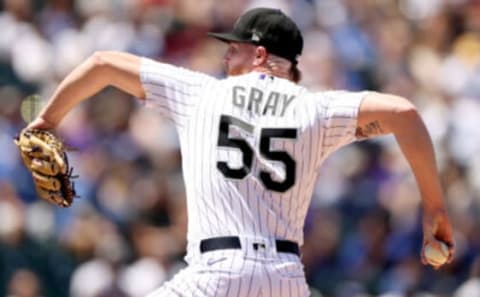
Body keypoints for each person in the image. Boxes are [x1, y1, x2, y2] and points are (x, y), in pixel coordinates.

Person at [26, 7, 454, 297]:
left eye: (234, 48)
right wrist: (434, 209)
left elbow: (102, 62)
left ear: (261, 54)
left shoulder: (202, 94)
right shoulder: (317, 109)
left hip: (217, 273)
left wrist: (46, 120)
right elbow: (404, 112)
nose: (226, 54)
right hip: (286, 280)